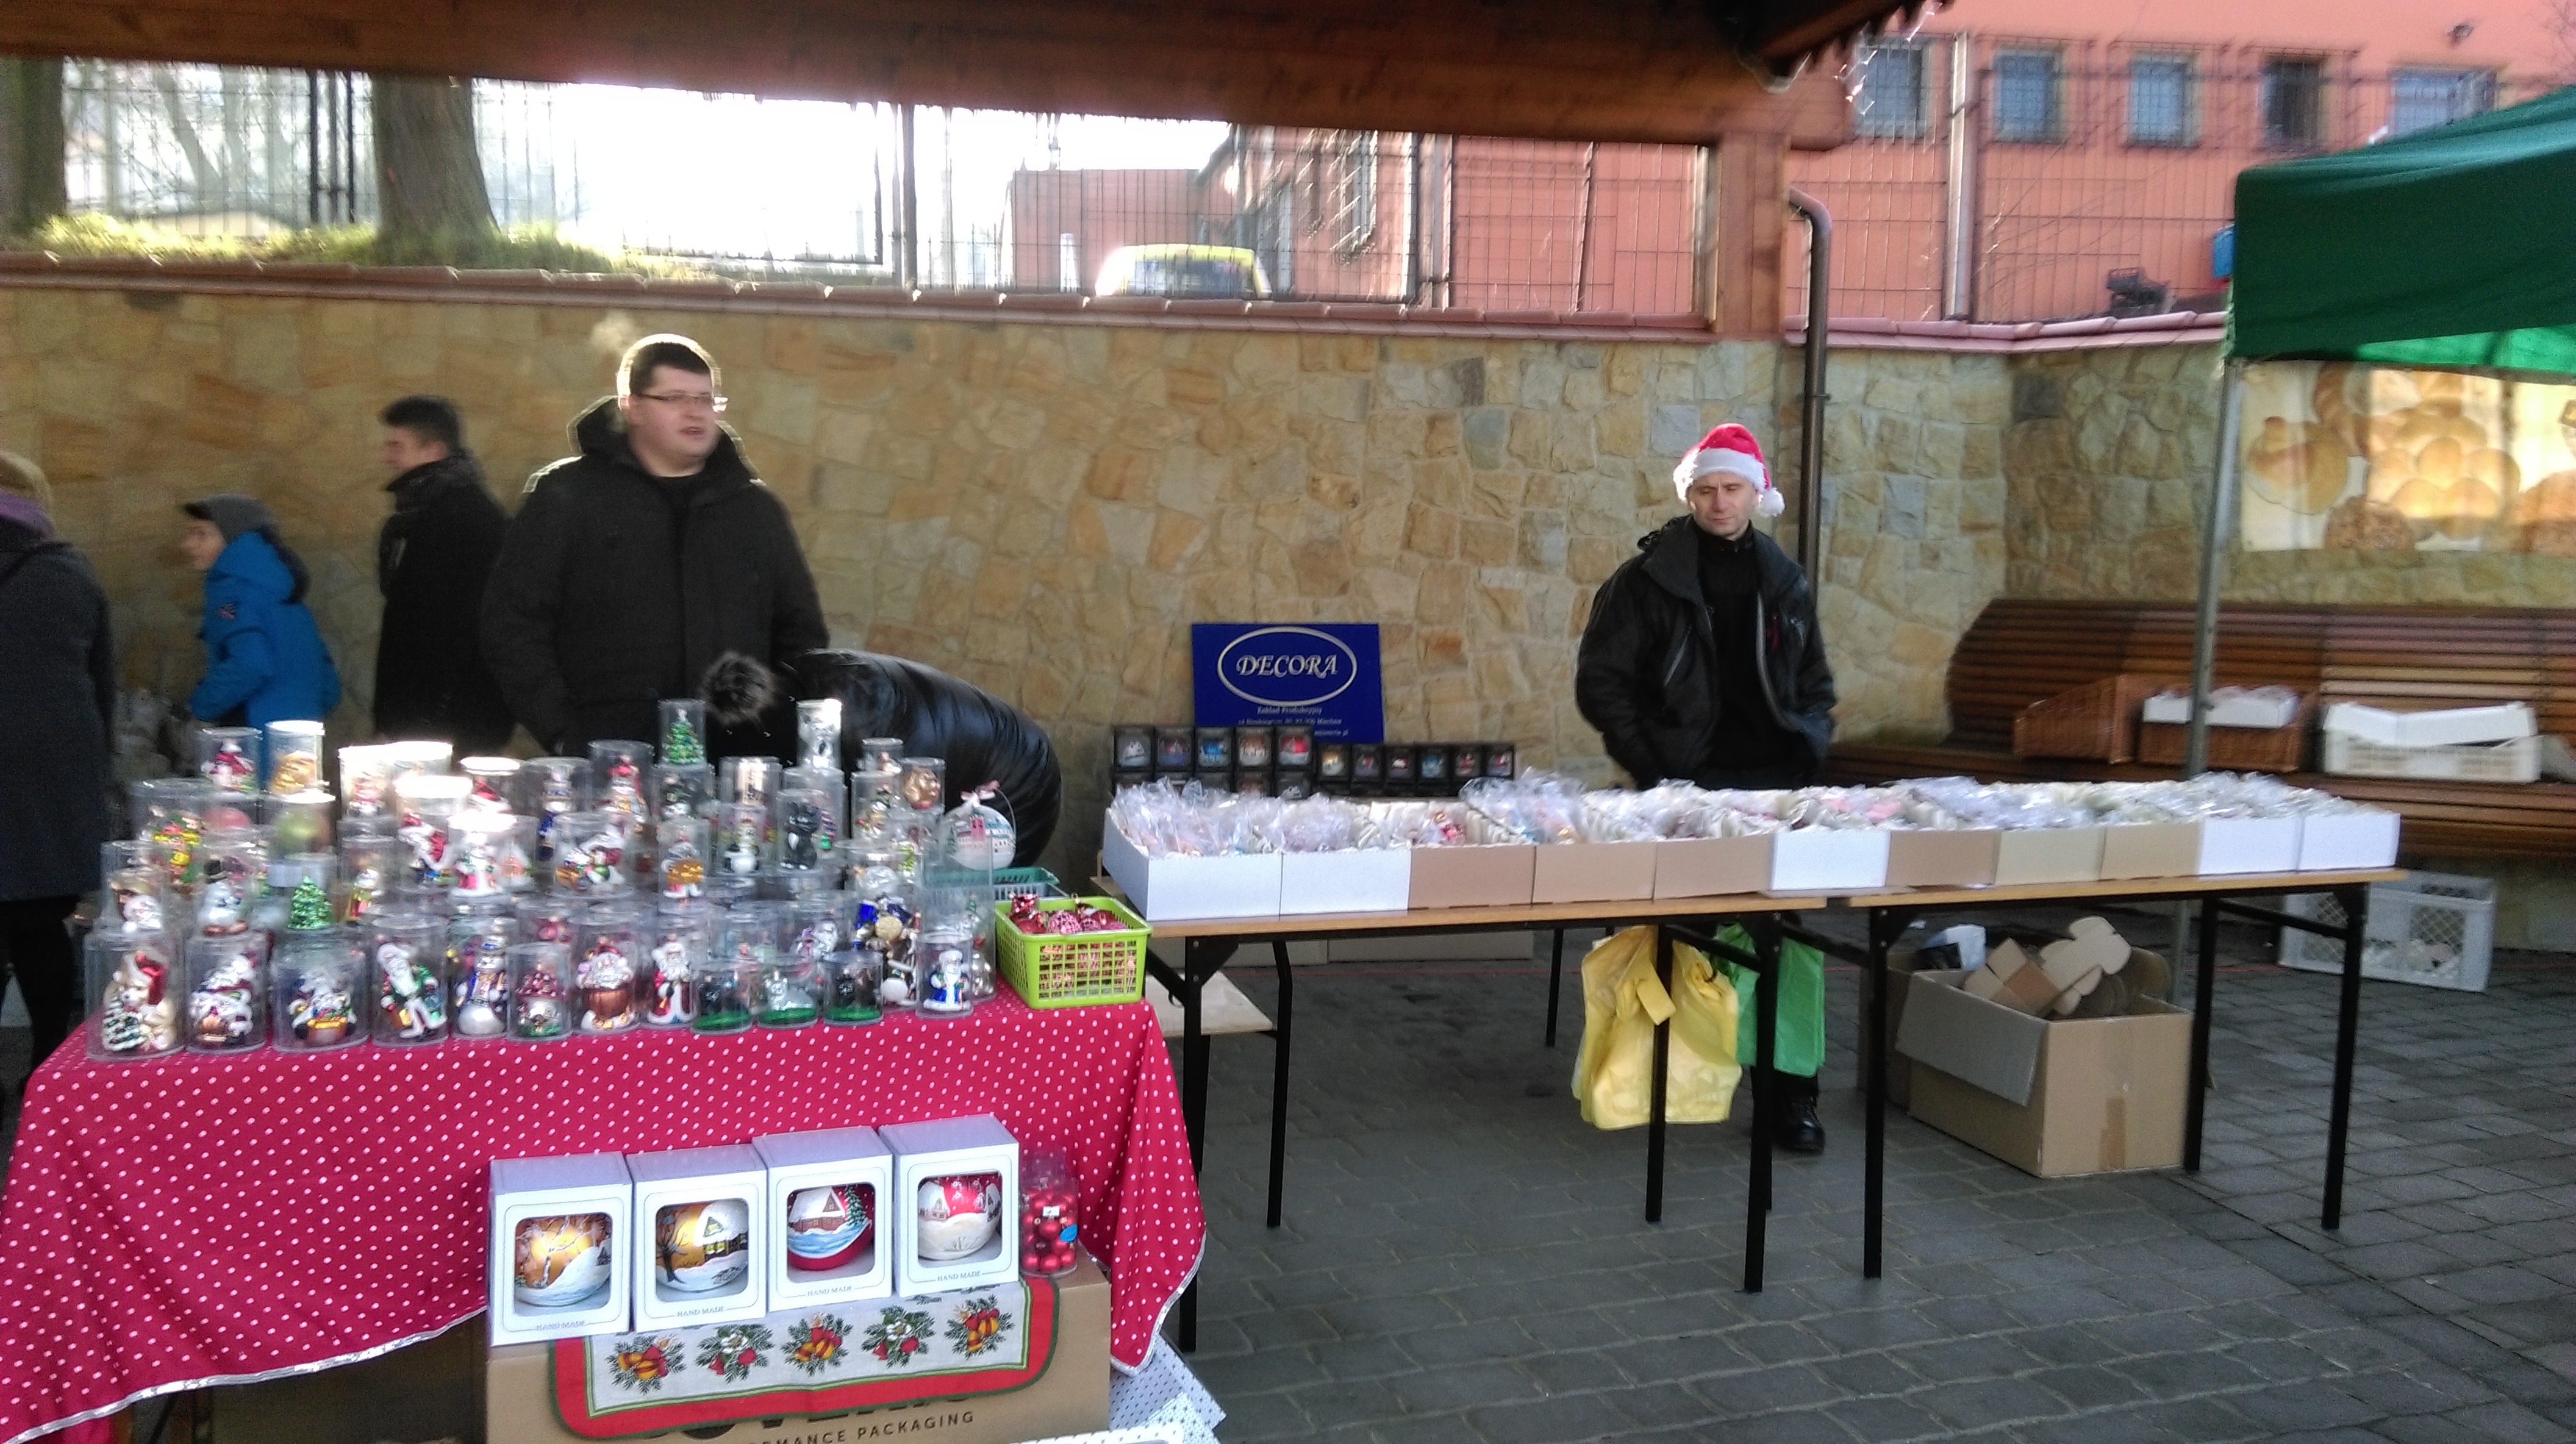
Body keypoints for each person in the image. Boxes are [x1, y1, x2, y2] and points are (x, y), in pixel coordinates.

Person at [1574, 423, 1838, 1153]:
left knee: (1787, 941)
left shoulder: (1785, 579)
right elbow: (1602, 683)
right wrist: (1653, 767)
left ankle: (1791, 1097)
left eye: (1733, 488)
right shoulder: (1644, 582)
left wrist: (1810, 741)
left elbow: (1814, 678)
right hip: (1686, 784)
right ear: (1689, 495)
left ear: (1758, 493)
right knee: (1684, 936)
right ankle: (1671, 1081)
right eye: (1707, 489)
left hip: (1775, 786)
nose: (1720, 502)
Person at [481, 334, 828, 755]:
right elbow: (513, 623)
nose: (695, 412)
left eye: (706, 400)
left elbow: (801, 636)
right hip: (608, 755)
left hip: (734, 758)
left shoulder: (754, 510)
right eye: (675, 398)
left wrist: (768, 723)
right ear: (632, 406)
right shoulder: (569, 498)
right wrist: (562, 731)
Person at [0, 455, 116, 1089]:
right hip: (47, 779)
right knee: (40, 929)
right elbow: (101, 687)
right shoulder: (68, 572)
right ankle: (46, 1067)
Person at [374, 395, 512, 753]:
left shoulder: (461, 519)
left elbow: (453, 626)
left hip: (449, 720)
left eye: (397, 446)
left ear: (433, 450)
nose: (387, 458)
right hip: (435, 714)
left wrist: (419, 716)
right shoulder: (428, 512)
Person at [179, 495, 342, 728]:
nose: (187, 544)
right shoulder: (285, 590)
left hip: (252, 737)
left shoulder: (234, 592)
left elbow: (250, 665)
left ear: (235, 540)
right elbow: (329, 688)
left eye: (201, 534)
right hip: (302, 737)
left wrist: (200, 707)